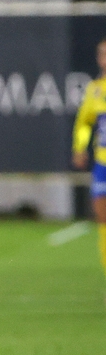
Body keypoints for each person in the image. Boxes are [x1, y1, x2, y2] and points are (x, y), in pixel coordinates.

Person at [71, 38, 106, 280]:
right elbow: (84, 123)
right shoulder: (95, 89)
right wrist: (80, 147)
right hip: (102, 163)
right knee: (102, 219)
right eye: (102, 53)